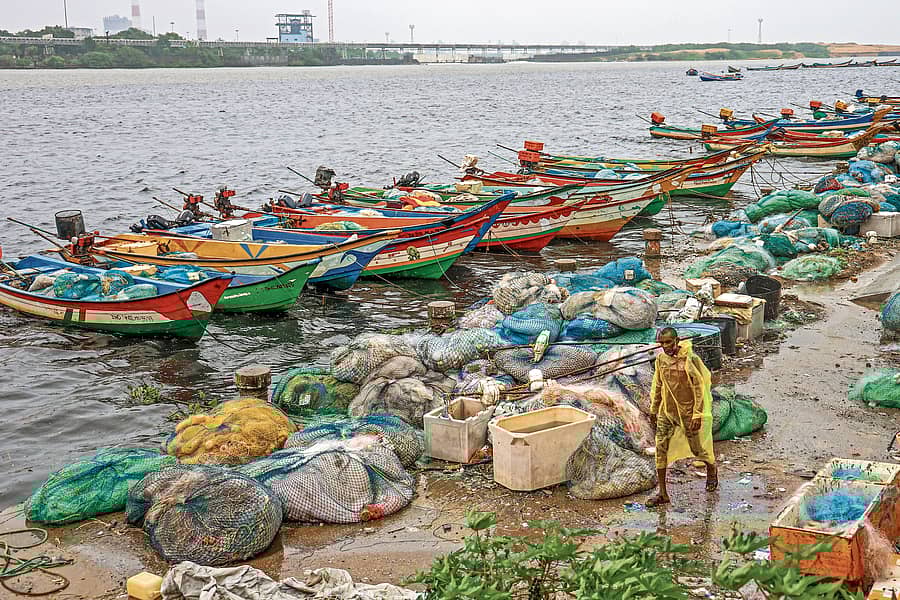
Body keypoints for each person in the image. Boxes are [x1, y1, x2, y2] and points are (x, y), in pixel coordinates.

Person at [646, 327, 717, 507]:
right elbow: (658, 384)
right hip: (666, 411)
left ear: (676, 341)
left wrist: (697, 414)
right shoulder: (661, 360)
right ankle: (662, 493)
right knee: (660, 449)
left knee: (697, 449)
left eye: (668, 342)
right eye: (662, 343)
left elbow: (699, 389)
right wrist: (654, 409)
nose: (665, 346)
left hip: (687, 412)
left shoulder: (689, 360)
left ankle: (711, 467)